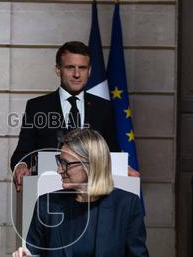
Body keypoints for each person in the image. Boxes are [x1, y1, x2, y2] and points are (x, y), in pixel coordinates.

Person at [12, 128, 151, 257]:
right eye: (59, 161)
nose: (59, 170)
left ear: (91, 165)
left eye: (66, 164)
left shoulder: (126, 204)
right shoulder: (47, 204)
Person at [10, 40, 124, 191]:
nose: (77, 74)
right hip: (50, 193)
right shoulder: (37, 107)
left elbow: (112, 151)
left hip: (92, 195)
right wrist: (21, 165)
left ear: (89, 71)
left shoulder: (104, 108)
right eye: (70, 67)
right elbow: (23, 151)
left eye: (82, 68)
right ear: (58, 70)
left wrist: (123, 170)